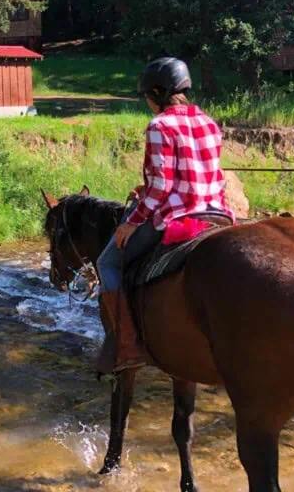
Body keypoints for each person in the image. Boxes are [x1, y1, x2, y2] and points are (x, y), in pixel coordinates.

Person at [96, 57, 233, 373]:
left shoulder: (159, 125)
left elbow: (162, 187)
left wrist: (131, 222)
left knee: (107, 262)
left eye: (147, 95)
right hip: (217, 212)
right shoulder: (209, 122)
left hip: (179, 216)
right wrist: (146, 189)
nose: (147, 102)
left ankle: (126, 346)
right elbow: (203, 174)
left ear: (157, 93)